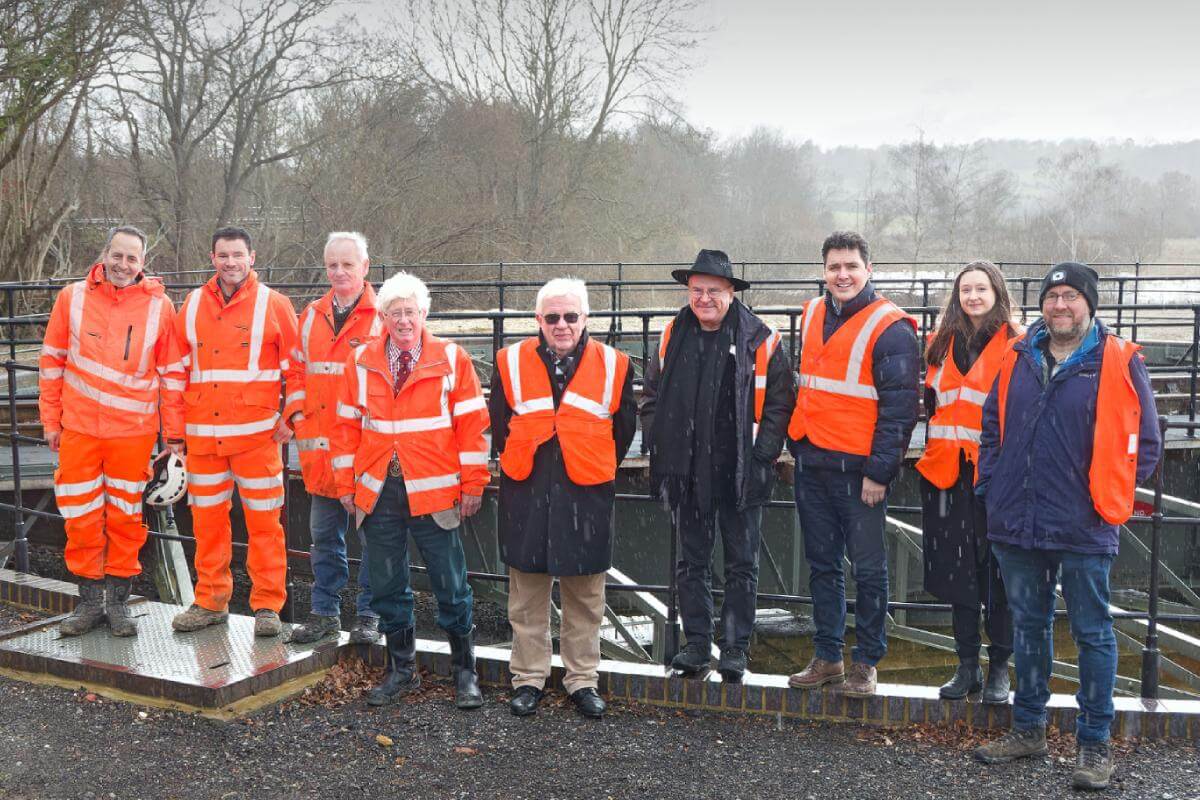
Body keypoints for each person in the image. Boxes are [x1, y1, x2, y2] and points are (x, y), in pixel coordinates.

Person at [973, 262, 1161, 791]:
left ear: (1090, 304)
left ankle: (1093, 744)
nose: (1060, 305)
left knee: (1092, 633)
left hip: (1085, 521)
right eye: (1052, 295)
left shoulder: (1119, 361)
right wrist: (993, 483)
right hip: (1018, 519)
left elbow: (1144, 445)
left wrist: (1106, 496)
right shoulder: (1018, 357)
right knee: (1028, 627)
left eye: (1071, 296)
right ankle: (1028, 729)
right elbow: (992, 427)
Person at [331, 271, 490, 709]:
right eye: (395, 312)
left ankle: (465, 673)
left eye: (411, 312)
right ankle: (402, 670)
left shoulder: (452, 359)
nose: (403, 320)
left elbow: (472, 427)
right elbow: (344, 427)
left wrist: (473, 482)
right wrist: (345, 483)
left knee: (450, 583)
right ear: (382, 316)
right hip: (379, 490)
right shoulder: (361, 361)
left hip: (435, 492)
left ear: (424, 313)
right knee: (386, 583)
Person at [640, 249, 796, 682]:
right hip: (686, 470)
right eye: (697, 290)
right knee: (691, 561)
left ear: (731, 292)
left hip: (740, 470)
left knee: (741, 563)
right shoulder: (674, 333)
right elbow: (650, 393)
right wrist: (657, 437)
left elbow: (782, 400)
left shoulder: (760, 338)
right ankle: (695, 645)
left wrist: (763, 453)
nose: (704, 298)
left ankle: (733, 649)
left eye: (713, 290)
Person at [489, 278, 636, 718]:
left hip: (586, 493)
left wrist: (586, 458)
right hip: (527, 491)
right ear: (538, 320)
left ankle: (582, 680)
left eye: (571, 316)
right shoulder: (509, 361)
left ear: (585, 318)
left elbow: (623, 430)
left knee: (586, 598)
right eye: (551, 317)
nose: (561, 325)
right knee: (526, 598)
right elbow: (499, 424)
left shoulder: (615, 364)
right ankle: (528, 678)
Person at [787, 231, 920, 698]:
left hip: (860, 471)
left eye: (851, 266)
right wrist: (795, 445)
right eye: (833, 267)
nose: (841, 275)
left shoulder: (891, 327)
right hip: (813, 461)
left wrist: (879, 473)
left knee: (868, 569)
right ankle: (827, 655)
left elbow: (900, 409)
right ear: (823, 270)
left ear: (869, 269)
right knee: (821, 565)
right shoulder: (811, 313)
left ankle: (866, 661)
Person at [39, 225, 185, 637]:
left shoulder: (160, 307)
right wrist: (51, 421)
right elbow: (51, 363)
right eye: (117, 256)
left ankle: (118, 605)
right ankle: (88, 604)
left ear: (143, 264)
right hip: (79, 430)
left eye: (132, 259)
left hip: (132, 434)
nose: (123, 265)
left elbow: (172, 375)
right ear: (105, 255)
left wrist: (173, 438)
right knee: (81, 516)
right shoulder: (73, 298)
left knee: (125, 518)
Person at [170, 227, 303, 638]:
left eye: (238, 255)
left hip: (257, 438)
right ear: (213, 258)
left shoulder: (275, 305)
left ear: (252, 257)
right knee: (207, 523)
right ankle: (210, 600)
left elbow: (297, 368)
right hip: (204, 439)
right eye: (223, 255)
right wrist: (175, 434)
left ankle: (267, 606)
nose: (231, 262)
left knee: (265, 525)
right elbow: (174, 373)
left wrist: (293, 414)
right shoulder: (191, 305)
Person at [915, 261, 1018, 703]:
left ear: (997, 292)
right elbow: (931, 406)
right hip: (945, 475)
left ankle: (999, 669)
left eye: (981, 288)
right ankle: (966, 666)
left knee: (996, 576)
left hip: (994, 477)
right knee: (958, 575)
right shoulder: (940, 345)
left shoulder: (1018, 345)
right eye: (965, 290)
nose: (973, 296)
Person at [288, 232, 382, 645]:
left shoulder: (384, 316)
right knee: (324, 539)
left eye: (348, 264)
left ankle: (369, 616)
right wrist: (295, 414)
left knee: (375, 539)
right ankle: (324, 614)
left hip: (367, 454)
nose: (340, 273)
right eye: (333, 266)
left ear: (365, 267)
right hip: (322, 455)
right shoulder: (310, 316)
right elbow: (294, 370)